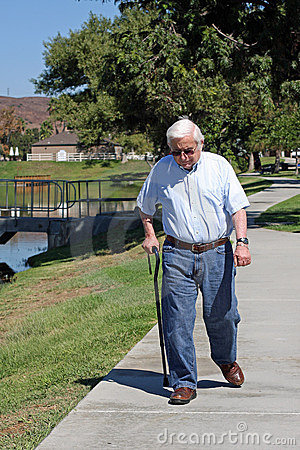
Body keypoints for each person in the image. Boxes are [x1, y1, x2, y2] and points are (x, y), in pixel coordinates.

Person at [137, 118, 251, 405]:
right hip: (177, 253)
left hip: (217, 252)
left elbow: (237, 207)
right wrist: (150, 235)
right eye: (177, 152)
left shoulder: (219, 166)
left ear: (201, 144)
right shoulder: (161, 169)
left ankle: (226, 360)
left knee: (223, 315)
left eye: (188, 150)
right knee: (176, 319)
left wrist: (242, 243)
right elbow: (145, 207)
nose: (183, 157)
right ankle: (184, 381)